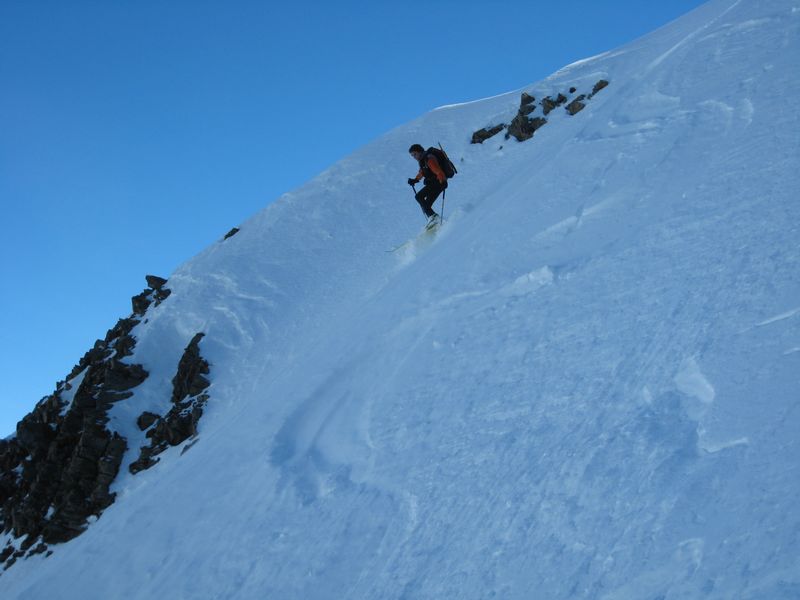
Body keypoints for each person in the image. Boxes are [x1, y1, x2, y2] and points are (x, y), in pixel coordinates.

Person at [407, 144, 447, 226]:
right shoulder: (423, 160)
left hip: (438, 182)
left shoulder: (429, 158)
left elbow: (438, 171)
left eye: (414, 154)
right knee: (426, 205)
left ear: (419, 151)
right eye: (412, 155)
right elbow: (422, 172)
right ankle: (435, 221)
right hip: (436, 183)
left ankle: (434, 217)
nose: (414, 157)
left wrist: (442, 180)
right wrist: (415, 180)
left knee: (418, 197)